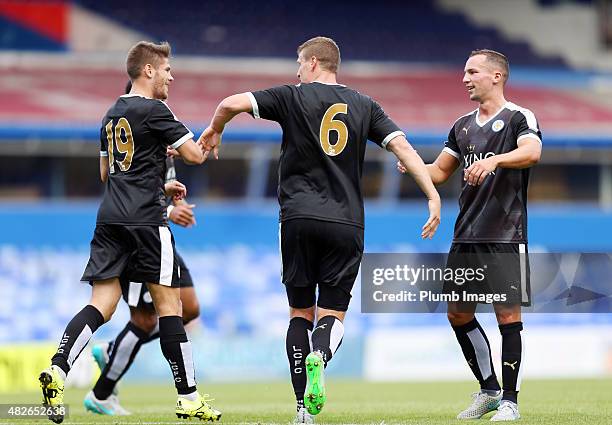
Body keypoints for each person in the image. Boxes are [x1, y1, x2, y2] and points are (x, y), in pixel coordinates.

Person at [199, 36, 441, 423]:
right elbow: (404, 148)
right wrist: (432, 195)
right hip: (346, 222)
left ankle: (301, 410)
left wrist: (215, 130)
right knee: (333, 316)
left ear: (313, 63)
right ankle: (321, 355)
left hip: (297, 218)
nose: (296, 71)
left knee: (299, 312)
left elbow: (229, 103)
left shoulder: (291, 96)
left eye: (299, 63)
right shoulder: (365, 105)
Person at [38, 41, 220, 423]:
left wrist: (156, 177)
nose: (172, 76)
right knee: (171, 309)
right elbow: (194, 156)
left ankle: (57, 369)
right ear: (148, 70)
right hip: (147, 223)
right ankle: (189, 398)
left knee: (100, 305)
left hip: (109, 220)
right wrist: (212, 134)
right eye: (167, 69)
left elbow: (107, 174)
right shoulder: (157, 110)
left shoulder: (110, 114)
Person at [398, 49, 541, 421]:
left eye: (472, 71)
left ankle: (511, 401)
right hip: (465, 236)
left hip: (506, 235)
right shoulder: (461, 125)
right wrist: (414, 165)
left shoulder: (518, 117)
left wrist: (495, 159)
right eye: (464, 72)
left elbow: (533, 151)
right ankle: (489, 390)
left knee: (506, 316)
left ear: (497, 76)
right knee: (458, 314)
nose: (465, 78)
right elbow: (439, 172)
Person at [83, 82, 201, 415]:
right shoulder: (136, 131)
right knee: (149, 317)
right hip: (137, 238)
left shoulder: (160, 137)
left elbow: (153, 191)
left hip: (158, 235)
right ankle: (103, 390)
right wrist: (168, 210)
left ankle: (113, 353)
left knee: (188, 308)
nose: (169, 81)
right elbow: (127, 197)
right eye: (165, 72)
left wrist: (170, 203)